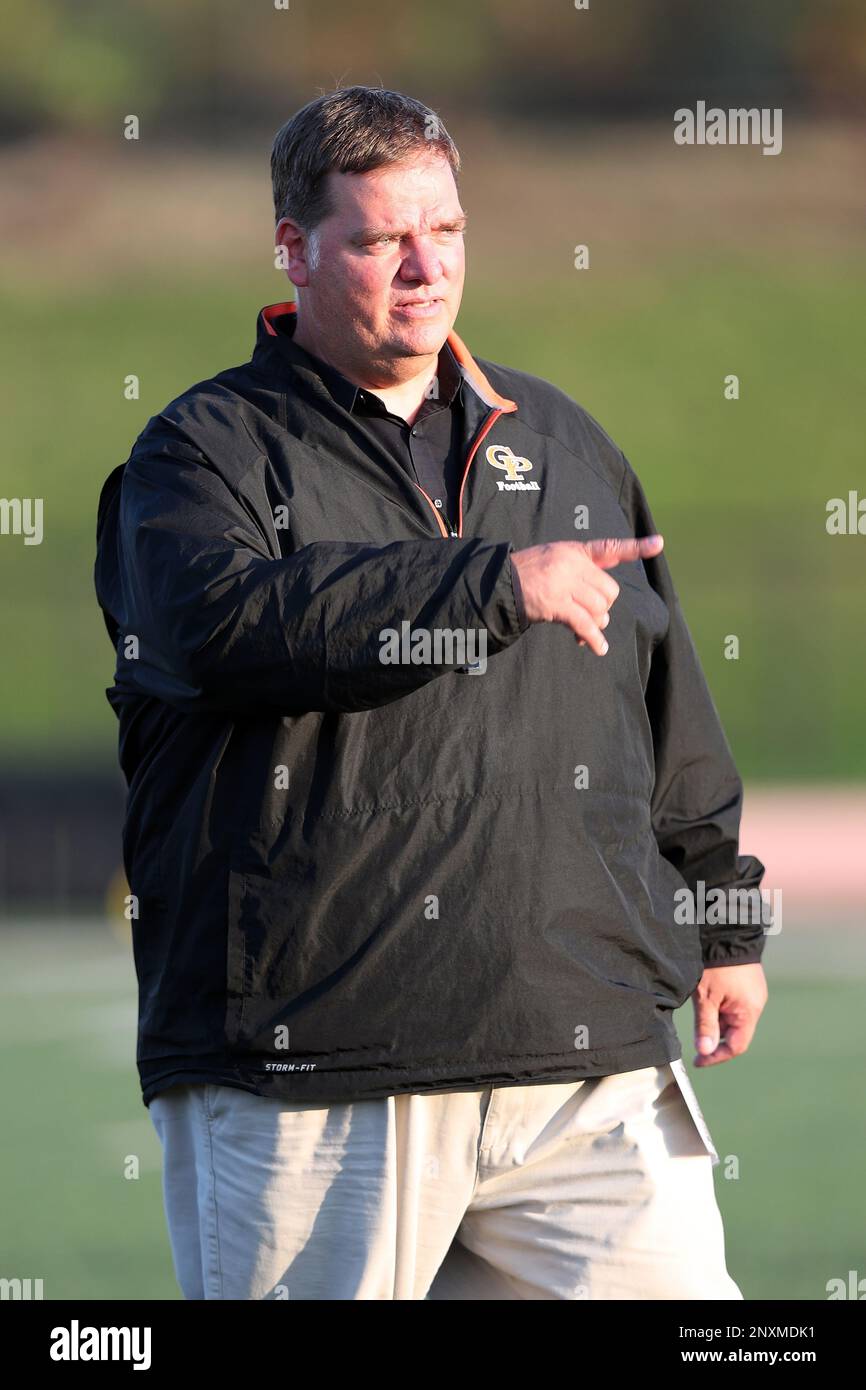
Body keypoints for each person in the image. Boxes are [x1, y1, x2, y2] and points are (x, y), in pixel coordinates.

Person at [94, 86, 769, 1301]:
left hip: (583, 1054)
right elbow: (227, 630)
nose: (423, 268)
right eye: (378, 239)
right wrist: (487, 585)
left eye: (444, 231)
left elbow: (662, 702)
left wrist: (722, 919)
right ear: (293, 250)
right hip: (319, 1062)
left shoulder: (561, 439)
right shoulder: (197, 455)